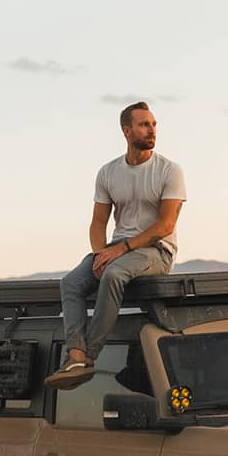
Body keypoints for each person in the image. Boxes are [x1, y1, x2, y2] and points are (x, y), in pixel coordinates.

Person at [47, 102, 186, 388]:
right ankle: (74, 354)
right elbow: (98, 223)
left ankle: (89, 355)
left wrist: (120, 251)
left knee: (113, 274)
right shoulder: (108, 172)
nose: (152, 130)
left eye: (154, 125)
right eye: (144, 125)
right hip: (116, 247)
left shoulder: (169, 170)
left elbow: (165, 225)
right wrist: (100, 253)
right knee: (71, 283)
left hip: (156, 251)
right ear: (126, 130)